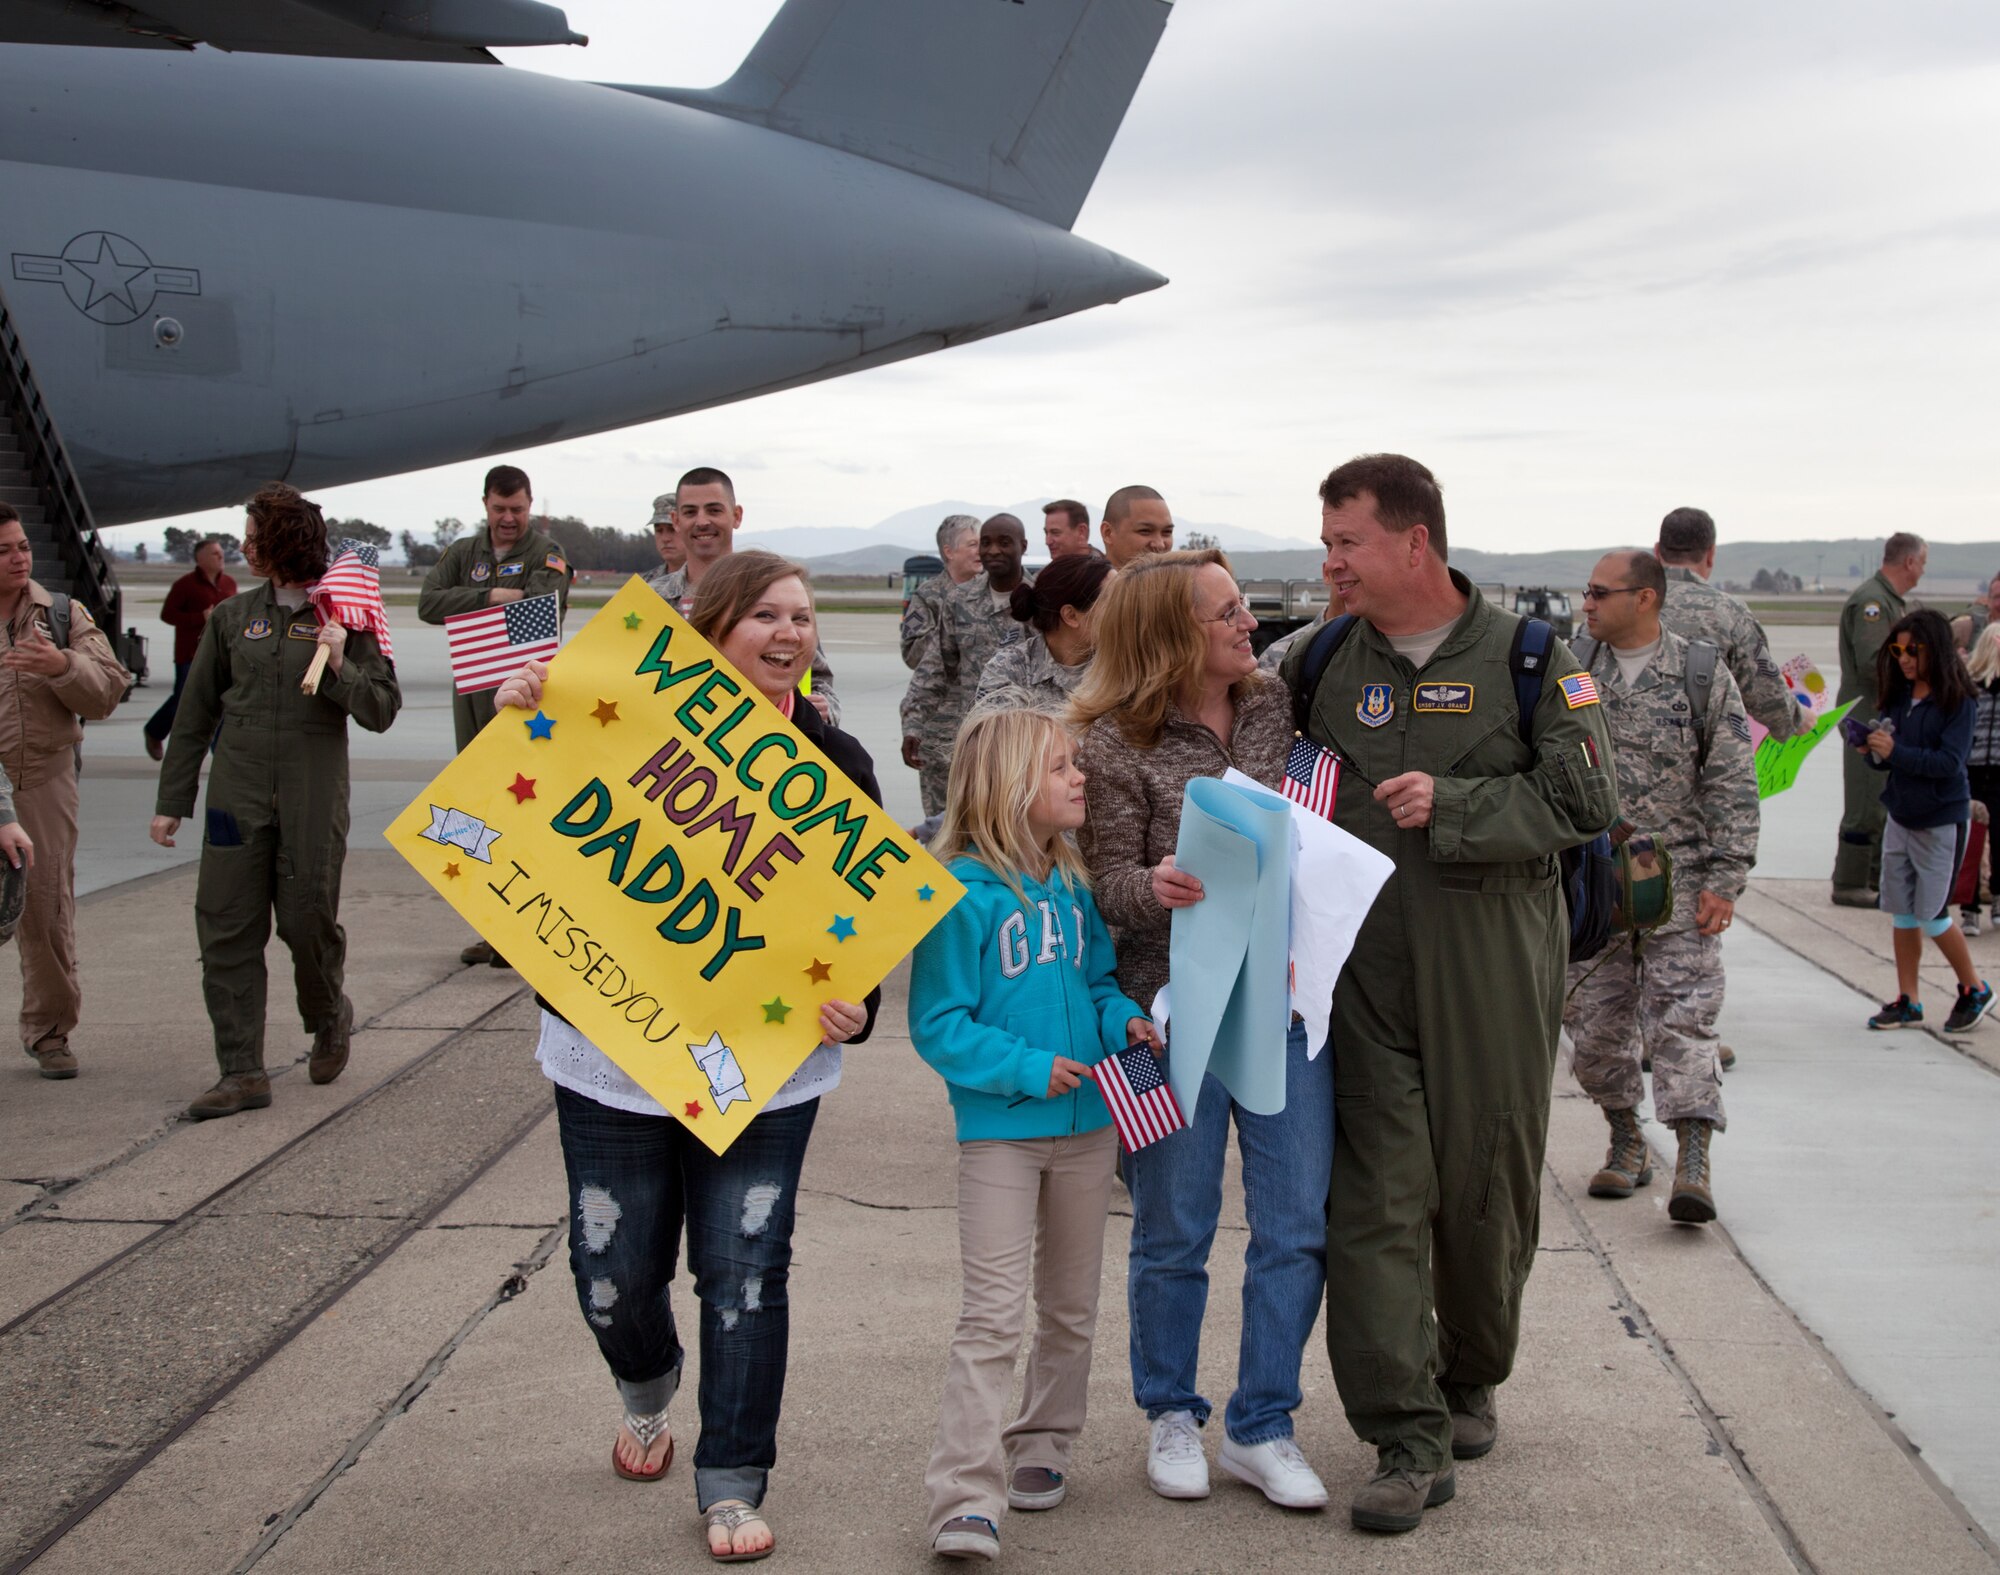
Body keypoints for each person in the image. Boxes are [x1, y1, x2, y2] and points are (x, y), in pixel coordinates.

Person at [495, 550, 875, 1564]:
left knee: (745, 1268)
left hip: (764, 1073)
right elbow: (528, 841)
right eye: (765, 616)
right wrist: (521, 715)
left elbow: (861, 928)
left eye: (801, 617)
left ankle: (732, 1481)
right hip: (610, 1059)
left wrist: (855, 1006)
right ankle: (646, 1389)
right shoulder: (612, 727)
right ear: (710, 632)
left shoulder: (837, 766)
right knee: (611, 1273)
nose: (790, 634)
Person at [1282, 454, 1616, 1532]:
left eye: (1346, 543)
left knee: (1486, 1184)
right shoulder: (1320, 656)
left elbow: (1585, 794)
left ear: (1412, 542)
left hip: (1492, 964)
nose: (1328, 563)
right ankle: (1401, 1434)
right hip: (1366, 971)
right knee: (1372, 1202)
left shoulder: (1531, 658)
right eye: (1325, 543)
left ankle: (1469, 1373)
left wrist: (1460, 803)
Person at [1071, 549, 1334, 1512]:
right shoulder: (1107, 740)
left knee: (1295, 1223)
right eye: (1225, 611)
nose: (1247, 624)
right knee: (1174, 1228)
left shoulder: (1271, 703)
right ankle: (1171, 1413)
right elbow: (1105, 887)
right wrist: (1158, 888)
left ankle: (1264, 1424)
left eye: (1243, 607)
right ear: (1171, 635)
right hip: (1171, 1015)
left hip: (1286, 1000)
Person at [908, 704, 1154, 1563]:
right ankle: (963, 1497)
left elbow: (1095, 982)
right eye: (1060, 767)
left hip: (1091, 1129)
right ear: (1009, 785)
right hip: (1002, 1137)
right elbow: (939, 1023)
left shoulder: (1075, 885)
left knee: (1072, 1305)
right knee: (991, 1316)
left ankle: (1045, 1444)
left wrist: (1122, 1017)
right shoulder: (960, 899)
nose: (1079, 777)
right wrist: (1021, 1067)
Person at [151, 483, 401, 1117]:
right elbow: (195, 712)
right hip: (236, 798)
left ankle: (327, 1015)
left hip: (312, 800)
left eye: (254, 535)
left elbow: (381, 709)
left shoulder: (343, 617)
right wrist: (173, 800)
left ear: (281, 542)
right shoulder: (233, 619)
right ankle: (241, 1071)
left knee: (304, 923)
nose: (243, 547)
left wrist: (341, 662)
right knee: (226, 928)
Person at [1562, 551, 1758, 1226]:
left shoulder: (1701, 674)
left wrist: (1727, 878)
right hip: (1595, 889)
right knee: (1593, 1030)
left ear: (1644, 597)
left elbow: (1733, 779)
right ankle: (1625, 1137)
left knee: (1685, 1024)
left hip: (1680, 887)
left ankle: (1693, 1160)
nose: (1585, 603)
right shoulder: (1575, 669)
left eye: (1598, 592)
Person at [417, 464, 572, 967]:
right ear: (485, 503)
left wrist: (479, 608)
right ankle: (489, 927)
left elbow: (545, 605)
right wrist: (492, 597)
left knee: (522, 811)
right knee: (476, 808)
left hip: (527, 698)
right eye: (500, 509)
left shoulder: (546, 554)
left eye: (518, 509)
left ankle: (523, 934)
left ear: (531, 506)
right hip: (474, 695)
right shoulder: (463, 553)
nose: (509, 519)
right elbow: (428, 603)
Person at [0, 504, 131, 1080]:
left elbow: (107, 690)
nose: (19, 557)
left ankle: (50, 1032)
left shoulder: (61, 614)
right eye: (4, 549)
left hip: (43, 783)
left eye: (22, 546)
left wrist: (61, 666)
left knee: (47, 910)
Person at [1859, 608, 1993, 1034]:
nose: (1903, 658)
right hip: (1902, 814)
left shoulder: (1959, 700)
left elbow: (1949, 763)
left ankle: (1974, 988)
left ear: (1932, 648)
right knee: (1902, 912)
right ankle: (1908, 999)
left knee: (1934, 914)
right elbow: (1897, 762)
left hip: (1941, 820)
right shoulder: (1901, 697)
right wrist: (1876, 752)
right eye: (1897, 650)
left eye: (1911, 650)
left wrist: (1894, 753)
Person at [646, 467, 840, 723]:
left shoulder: (773, 591)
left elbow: (818, 678)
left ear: (736, 516)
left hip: (756, 747)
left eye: (714, 510)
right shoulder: (651, 601)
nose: (702, 521)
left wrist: (823, 709)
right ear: (676, 520)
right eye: (690, 512)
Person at [902, 514, 1031, 817]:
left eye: (1004, 542)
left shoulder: (1039, 599)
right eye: (984, 543)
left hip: (1026, 745)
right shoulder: (959, 600)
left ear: (1022, 546)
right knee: (957, 830)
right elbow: (933, 668)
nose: (992, 550)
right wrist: (913, 724)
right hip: (972, 741)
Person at [1654, 507, 1807, 739]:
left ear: (1657, 552)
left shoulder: (1619, 604)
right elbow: (1767, 696)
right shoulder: (1728, 613)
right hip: (1695, 758)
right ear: (1711, 554)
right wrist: (1797, 718)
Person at [1833, 533, 1926, 905]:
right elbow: (1873, 661)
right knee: (1866, 804)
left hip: (1882, 716)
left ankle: (1874, 880)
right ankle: (1850, 883)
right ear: (1909, 562)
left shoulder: (1890, 601)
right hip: (1866, 717)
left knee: (1883, 801)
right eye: (1923, 562)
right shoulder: (1874, 603)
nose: (1922, 570)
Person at [975, 552, 1114, 710]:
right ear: (1071, 616)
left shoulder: (1125, 667)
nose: (1125, 610)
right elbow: (994, 733)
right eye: (1113, 601)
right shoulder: (1008, 672)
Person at [143, 536, 237, 761]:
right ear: (200, 558)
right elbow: (167, 615)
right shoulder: (185, 585)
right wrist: (199, 618)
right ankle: (155, 731)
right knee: (185, 699)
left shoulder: (229, 584)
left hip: (222, 653)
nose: (221, 556)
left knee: (222, 701)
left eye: (221, 552)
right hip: (190, 653)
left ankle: (221, 754)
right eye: (215, 553)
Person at [1960, 621, 2000, 934]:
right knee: (1971, 840)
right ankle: (1969, 906)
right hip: (1973, 769)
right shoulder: (1970, 685)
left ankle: (1997, 895)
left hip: (1997, 770)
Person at [902, 515, 982, 669]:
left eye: (983, 543)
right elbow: (911, 655)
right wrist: (952, 630)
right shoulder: (927, 596)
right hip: (947, 691)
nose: (981, 551)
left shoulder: (994, 588)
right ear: (949, 552)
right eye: (973, 545)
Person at [1098, 485, 1175, 569]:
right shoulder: (1084, 581)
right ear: (1108, 533)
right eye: (1145, 531)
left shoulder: (1184, 581)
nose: (1160, 544)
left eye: (1167, 532)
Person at [649, 493, 687, 577]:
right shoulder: (645, 583)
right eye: (659, 530)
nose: (665, 539)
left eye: (672, 529)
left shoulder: (714, 581)